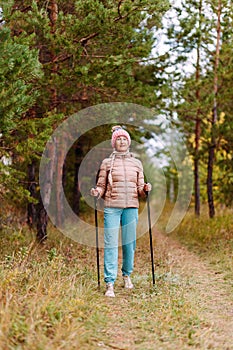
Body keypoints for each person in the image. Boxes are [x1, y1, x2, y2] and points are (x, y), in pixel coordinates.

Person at [90, 126, 151, 297]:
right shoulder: (107, 163)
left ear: (128, 142)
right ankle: (110, 282)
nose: (122, 141)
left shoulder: (137, 163)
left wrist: (146, 189)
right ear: (114, 143)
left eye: (124, 139)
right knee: (110, 244)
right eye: (118, 139)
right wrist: (97, 192)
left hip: (131, 206)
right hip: (112, 207)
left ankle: (127, 275)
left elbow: (140, 189)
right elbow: (101, 185)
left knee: (129, 244)